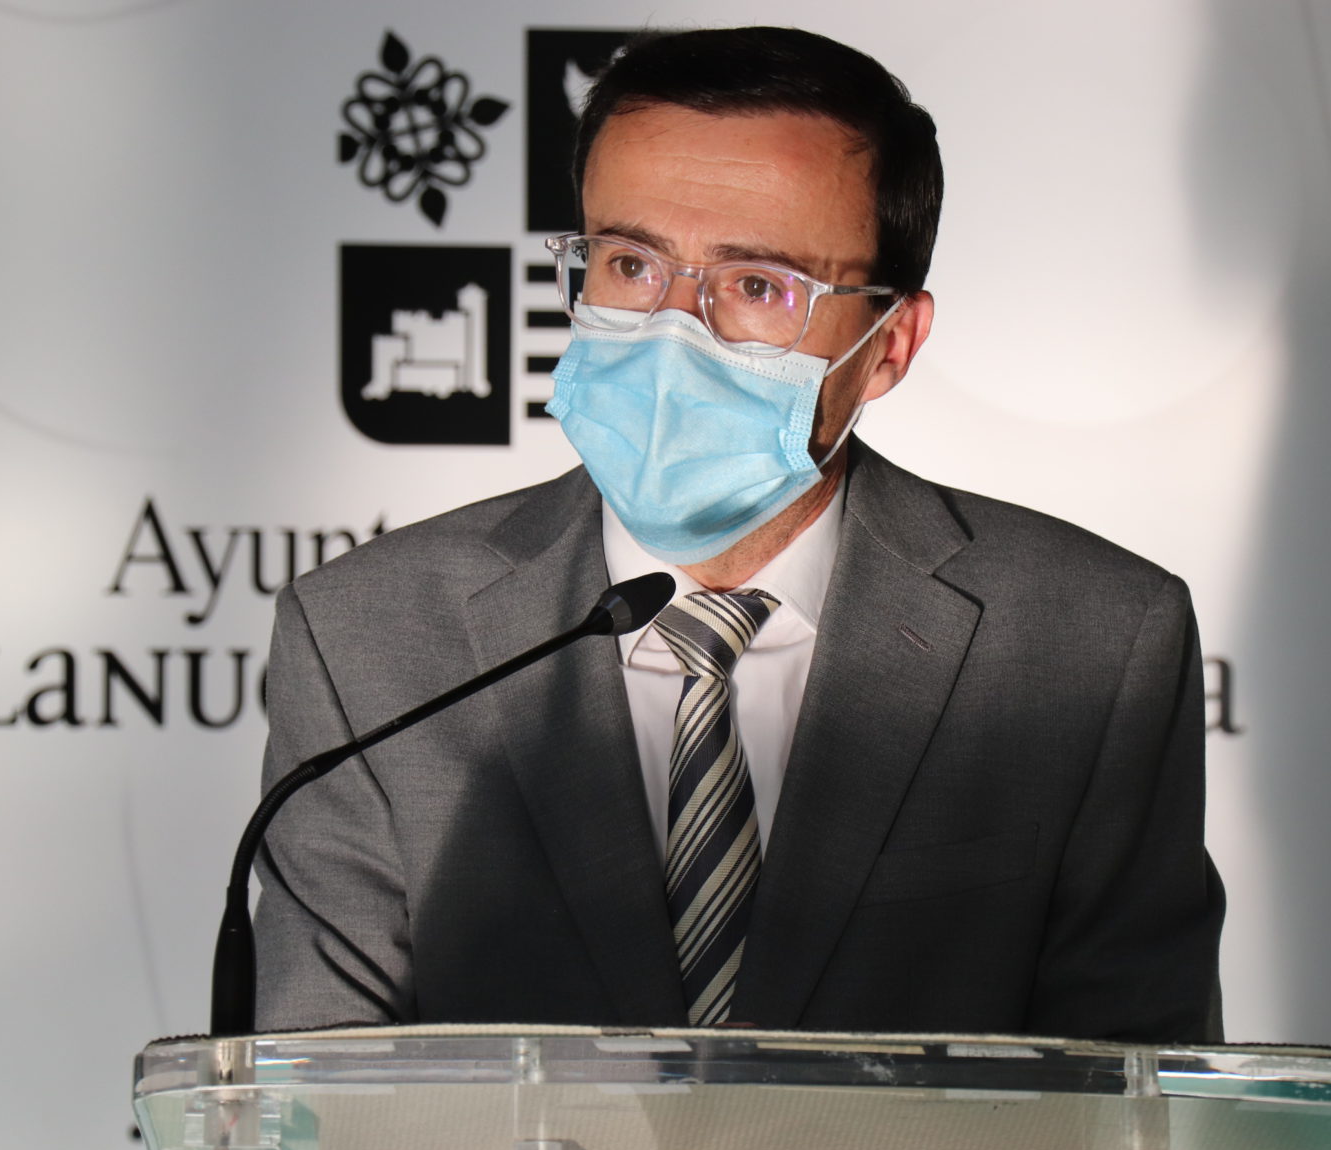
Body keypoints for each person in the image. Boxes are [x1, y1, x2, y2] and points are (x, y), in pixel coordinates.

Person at [253, 26, 1225, 1042]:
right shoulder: (368, 637)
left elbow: (1135, 1103)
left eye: (758, 285)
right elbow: (311, 1101)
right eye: (631, 264)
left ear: (889, 343)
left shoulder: (1090, 644)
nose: (673, 330)